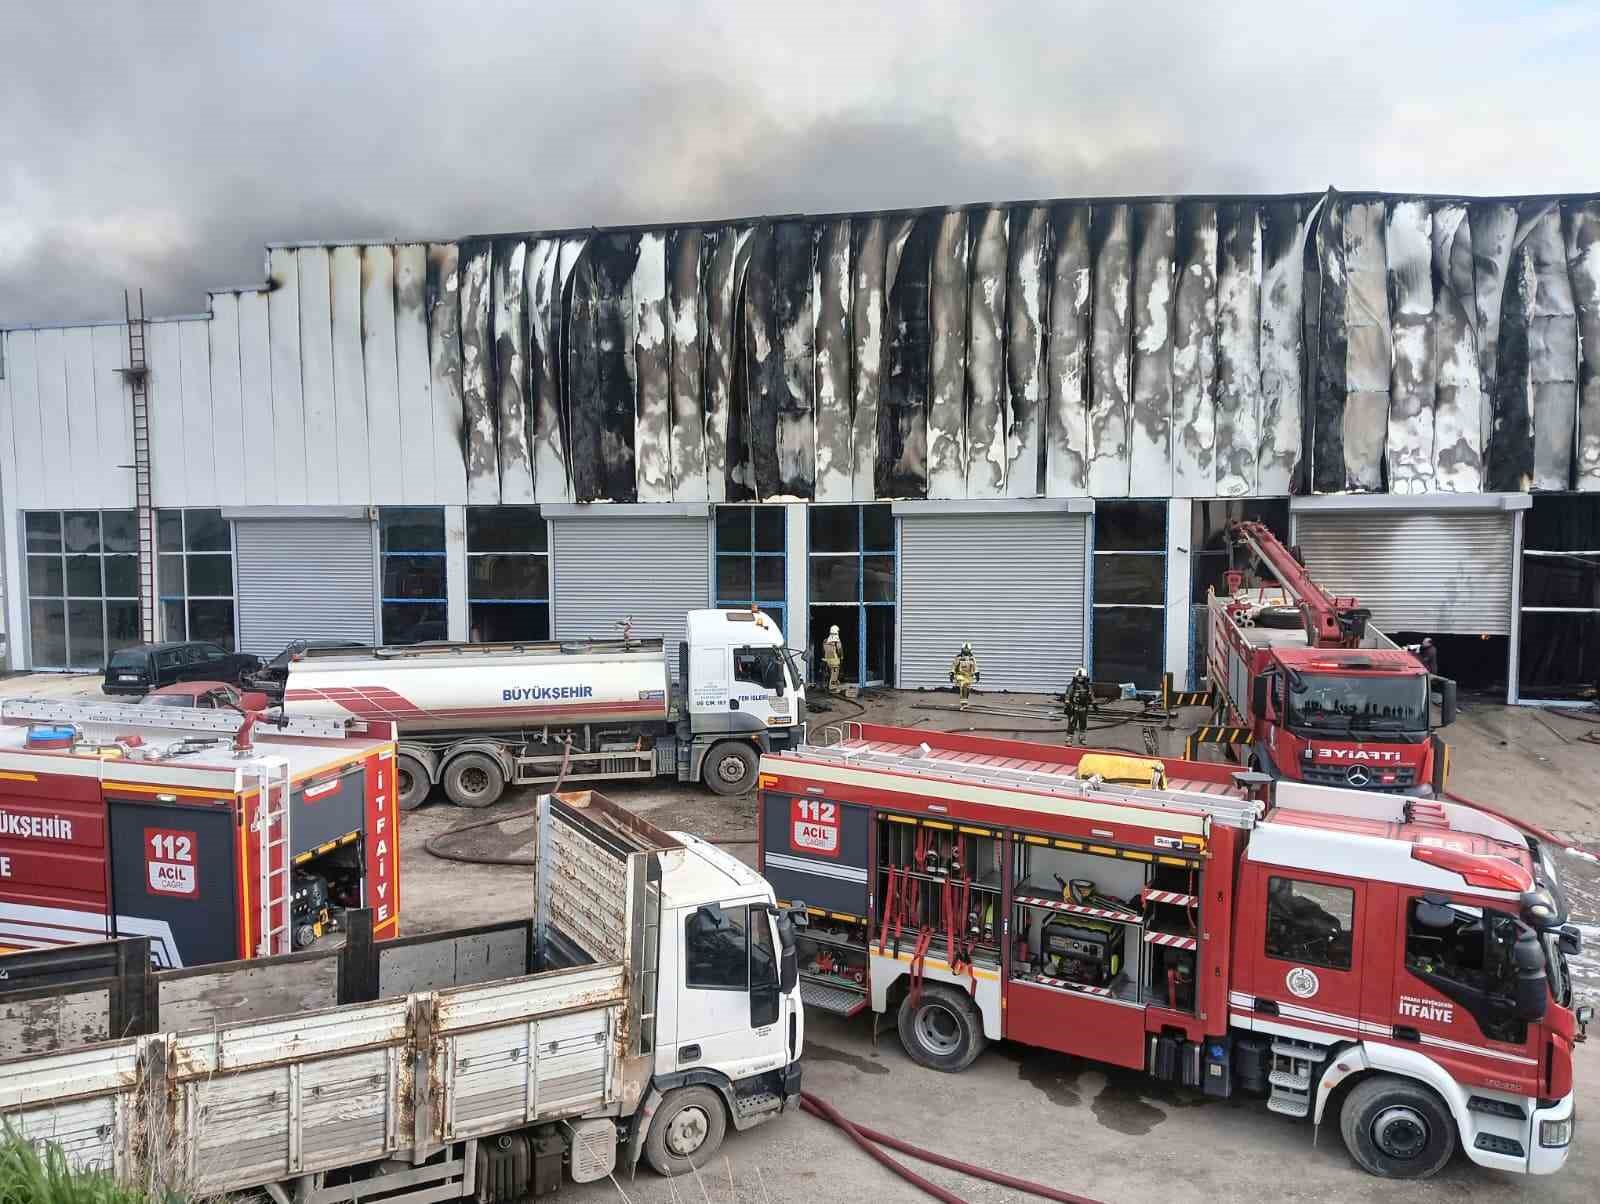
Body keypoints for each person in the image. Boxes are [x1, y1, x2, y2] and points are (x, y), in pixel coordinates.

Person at [1065, 667, 1094, 744]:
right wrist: (1067, 704)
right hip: (1074, 708)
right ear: (1076, 677)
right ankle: (1069, 739)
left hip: (1084, 708)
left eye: (1082, 677)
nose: (1080, 678)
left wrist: (1094, 703)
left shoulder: (1088, 686)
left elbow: (1091, 695)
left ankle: (1082, 738)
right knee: (1072, 724)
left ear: (1085, 677)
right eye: (1079, 677)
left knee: (1083, 724)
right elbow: (1068, 695)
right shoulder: (1072, 686)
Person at [822, 625, 844, 691]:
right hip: (834, 661)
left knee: (828, 674)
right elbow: (840, 650)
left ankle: (825, 685)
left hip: (826, 660)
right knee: (834, 675)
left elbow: (823, 650)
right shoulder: (837, 641)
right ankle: (832, 688)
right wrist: (841, 657)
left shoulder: (825, 640)